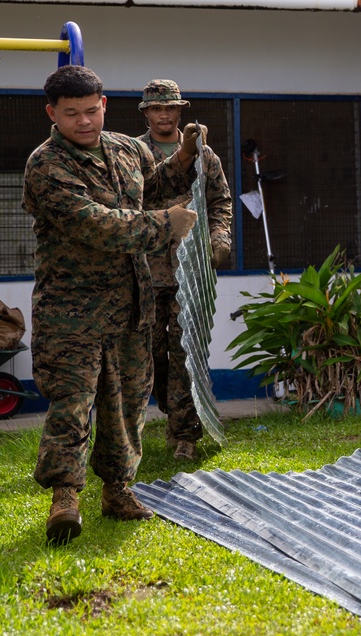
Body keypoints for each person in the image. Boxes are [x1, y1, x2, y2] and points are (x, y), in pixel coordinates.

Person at [22, 65, 203, 544]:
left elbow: (157, 185)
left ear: (104, 105)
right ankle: (65, 496)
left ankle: (118, 490)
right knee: (73, 402)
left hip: (131, 304)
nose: (84, 121)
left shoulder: (127, 148)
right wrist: (168, 225)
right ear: (52, 114)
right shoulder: (46, 165)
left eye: (91, 110)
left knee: (126, 402)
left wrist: (183, 157)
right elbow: (97, 224)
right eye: (72, 114)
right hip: (71, 309)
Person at [135, 79, 232, 461]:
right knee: (152, 351)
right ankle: (170, 408)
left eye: (170, 108)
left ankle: (185, 435)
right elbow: (141, 194)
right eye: (157, 109)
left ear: (180, 111)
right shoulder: (134, 153)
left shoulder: (206, 155)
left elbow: (220, 200)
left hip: (189, 271)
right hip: (147, 267)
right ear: (146, 112)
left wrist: (220, 238)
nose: (164, 114)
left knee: (186, 348)